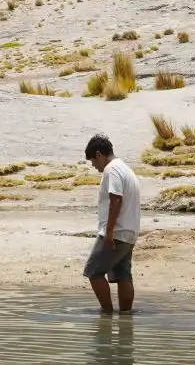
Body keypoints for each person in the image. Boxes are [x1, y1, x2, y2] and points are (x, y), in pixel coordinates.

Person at [82, 133, 140, 313]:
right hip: (130, 232)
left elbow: (116, 200)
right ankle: (125, 316)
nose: (94, 166)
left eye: (93, 161)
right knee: (123, 275)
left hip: (116, 232)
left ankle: (106, 314)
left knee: (93, 272)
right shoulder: (125, 169)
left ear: (99, 154)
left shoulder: (112, 170)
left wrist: (108, 233)